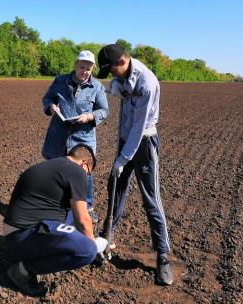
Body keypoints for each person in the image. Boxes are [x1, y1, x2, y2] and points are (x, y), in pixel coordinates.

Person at [97, 44, 173, 285]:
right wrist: (115, 87)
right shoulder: (125, 75)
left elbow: (139, 129)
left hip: (143, 144)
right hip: (125, 139)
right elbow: (117, 88)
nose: (111, 76)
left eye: (111, 71)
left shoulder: (147, 84)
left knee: (151, 199)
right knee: (115, 187)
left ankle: (162, 257)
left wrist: (122, 158)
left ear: (121, 62)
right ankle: (106, 239)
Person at [3, 144, 108, 296]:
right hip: (23, 237)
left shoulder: (56, 166)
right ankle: (22, 271)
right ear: (84, 163)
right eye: (88, 173)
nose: (86, 177)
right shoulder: (76, 170)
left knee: (77, 217)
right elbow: (83, 220)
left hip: (17, 234)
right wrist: (94, 245)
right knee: (87, 251)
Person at [41, 50, 109, 226]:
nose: (84, 71)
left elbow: (104, 111)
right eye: (81, 67)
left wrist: (89, 116)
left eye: (88, 68)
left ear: (92, 68)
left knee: (84, 173)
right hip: (59, 135)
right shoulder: (60, 81)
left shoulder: (97, 87)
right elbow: (47, 98)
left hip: (83, 138)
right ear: (75, 65)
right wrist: (51, 107)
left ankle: (88, 208)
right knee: (56, 170)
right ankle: (57, 205)